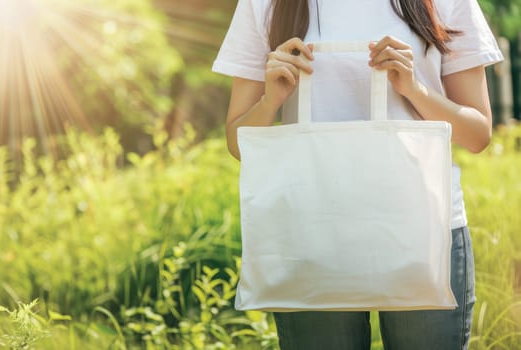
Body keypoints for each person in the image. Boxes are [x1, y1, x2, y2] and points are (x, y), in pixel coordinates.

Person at [212, 0, 503, 349]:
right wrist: (270, 100)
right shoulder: (264, 4)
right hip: (311, 232)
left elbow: (478, 133)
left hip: (424, 227)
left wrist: (414, 89)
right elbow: (239, 142)